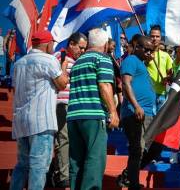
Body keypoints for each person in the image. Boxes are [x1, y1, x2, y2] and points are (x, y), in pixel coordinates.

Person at [10, 30, 68, 190]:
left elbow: (15, 90)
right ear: (48, 44)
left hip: (22, 120)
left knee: (22, 165)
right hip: (41, 121)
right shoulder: (49, 60)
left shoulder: (19, 63)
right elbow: (62, 83)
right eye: (52, 43)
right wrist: (63, 68)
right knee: (39, 167)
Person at [67, 28, 119, 190]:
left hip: (74, 116)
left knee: (76, 161)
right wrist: (113, 111)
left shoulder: (78, 62)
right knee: (95, 159)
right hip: (93, 115)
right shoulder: (102, 58)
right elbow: (104, 85)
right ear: (105, 45)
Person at [50, 32, 87, 188]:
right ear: (71, 44)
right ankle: (63, 176)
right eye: (81, 47)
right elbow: (57, 80)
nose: (83, 51)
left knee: (68, 140)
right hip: (60, 104)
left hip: (73, 106)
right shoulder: (60, 56)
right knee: (64, 139)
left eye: (85, 48)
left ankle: (56, 172)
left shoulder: (76, 60)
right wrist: (64, 66)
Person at [120, 35, 156, 190]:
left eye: (151, 50)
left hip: (147, 113)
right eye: (146, 49)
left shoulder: (142, 64)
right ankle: (132, 184)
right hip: (135, 113)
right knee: (137, 149)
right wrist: (136, 106)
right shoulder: (131, 60)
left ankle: (128, 175)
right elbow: (126, 83)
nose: (149, 53)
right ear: (137, 47)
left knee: (154, 147)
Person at [147, 25, 173, 114]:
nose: (154, 38)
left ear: (160, 38)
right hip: (148, 94)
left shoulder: (166, 55)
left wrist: (167, 78)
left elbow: (171, 73)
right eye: (152, 36)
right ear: (148, 37)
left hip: (162, 94)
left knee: (160, 125)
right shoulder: (143, 54)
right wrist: (146, 60)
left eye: (157, 36)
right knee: (150, 123)